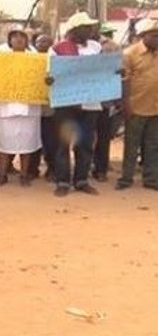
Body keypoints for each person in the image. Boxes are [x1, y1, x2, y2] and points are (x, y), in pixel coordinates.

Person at [46, 11, 102, 197]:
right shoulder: (57, 49)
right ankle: (63, 182)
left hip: (90, 103)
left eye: (90, 27)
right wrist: (50, 79)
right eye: (86, 27)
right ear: (75, 29)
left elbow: (101, 71)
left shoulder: (95, 47)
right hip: (66, 104)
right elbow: (51, 72)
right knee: (64, 144)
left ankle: (81, 181)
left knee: (85, 144)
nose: (90, 30)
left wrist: (113, 73)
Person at [0, 28, 42, 187]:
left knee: (27, 143)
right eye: (15, 37)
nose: (19, 39)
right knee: (5, 142)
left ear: (27, 41)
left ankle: (24, 174)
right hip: (6, 108)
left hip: (30, 108)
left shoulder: (35, 58)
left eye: (22, 37)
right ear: (10, 41)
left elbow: (41, 79)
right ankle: (2, 174)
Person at [116, 18, 158, 191]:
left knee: (153, 146)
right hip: (135, 107)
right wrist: (125, 105)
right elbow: (123, 81)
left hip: (155, 108)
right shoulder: (129, 54)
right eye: (155, 36)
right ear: (144, 36)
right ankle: (126, 178)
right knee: (131, 146)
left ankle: (151, 179)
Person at [91, 24, 121, 182]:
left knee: (103, 136)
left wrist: (117, 98)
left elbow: (118, 72)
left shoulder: (112, 47)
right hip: (83, 100)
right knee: (84, 136)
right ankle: (83, 167)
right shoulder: (80, 47)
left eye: (91, 27)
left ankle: (101, 169)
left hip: (104, 99)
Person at [31, 34, 57, 181]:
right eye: (39, 42)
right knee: (32, 140)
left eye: (46, 41)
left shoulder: (56, 61)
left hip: (50, 109)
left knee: (50, 141)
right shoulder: (28, 61)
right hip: (33, 108)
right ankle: (32, 169)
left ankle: (51, 168)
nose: (42, 44)